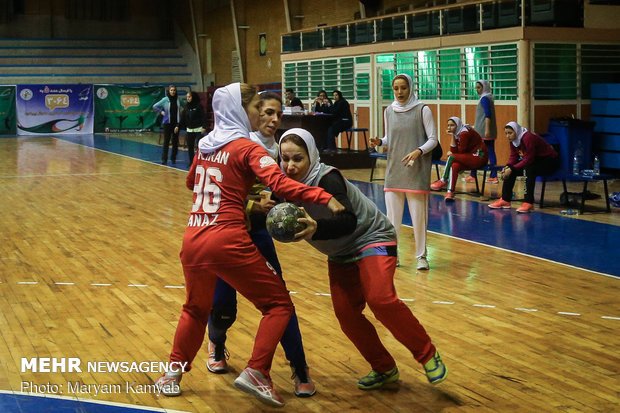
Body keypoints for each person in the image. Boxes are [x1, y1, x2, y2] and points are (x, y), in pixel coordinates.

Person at [154, 82, 344, 408]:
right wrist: (323, 197)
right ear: (240, 110)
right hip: (227, 239)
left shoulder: (205, 145)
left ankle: (172, 373)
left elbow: (190, 181)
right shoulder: (246, 147)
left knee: (195, 309)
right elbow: (280, 183)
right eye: (257, 107)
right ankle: (257, 371)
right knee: (279, 305)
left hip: (193, 237)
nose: (260, 113)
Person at [279, 128, 448, 391]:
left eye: (297, 159)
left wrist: (316, 229)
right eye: (285, 159)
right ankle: (384, 368)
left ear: (311, 156)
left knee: (380, 299)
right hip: (339, 252)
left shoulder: (328, 179)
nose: (290, 166)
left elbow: (347, 221)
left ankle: (427, 354)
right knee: (346, 315)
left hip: (371, 237)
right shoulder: (282, 184)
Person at [205, 91, 317, 398]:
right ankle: (216, 342)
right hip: (226, 234)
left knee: (280, 302)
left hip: (258, 234)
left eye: (278, 114)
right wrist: (254, 205)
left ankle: (299, 366)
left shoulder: (281, 148)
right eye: (266, 112)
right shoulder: (233, 145)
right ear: (251, 113)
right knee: (224, 306)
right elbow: (213, 199)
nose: (273, 119)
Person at [369, 73, 437, 271]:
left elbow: (433, 139)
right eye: (396, 88)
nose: (400, 92)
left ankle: (421, 256)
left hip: (416, 170)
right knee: (392, 219)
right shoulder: (389, 110)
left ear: (411, 88)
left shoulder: (422, 109)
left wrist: (418, 151)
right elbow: (389, 138)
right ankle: (393, 255)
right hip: (394, 170)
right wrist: (380, 142)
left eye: (403, 88)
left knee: (418, 217)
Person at [488, 121, 560, 213]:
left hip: (550, 162)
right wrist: (508, 167)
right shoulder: (514, 140)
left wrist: (512, 168)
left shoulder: (528, 138)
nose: (508, 136)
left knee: (528, 169)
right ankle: (505, 200)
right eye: (506, 133)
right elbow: (514, 156)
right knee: (511, 171)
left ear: (517, 131)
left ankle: (528, 202)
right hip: (535, 161)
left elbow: (529, 159)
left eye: (510, 133)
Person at [430, 117, 488, 201]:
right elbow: (454, 150)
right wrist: (452, 136)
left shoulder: (464, 133)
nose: (449, 128)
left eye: (452, 125)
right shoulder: (458, 133)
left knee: (451, 157)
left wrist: (452, 153)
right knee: (455, 165)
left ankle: (443, 180)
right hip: (470, 156)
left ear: (458, 125)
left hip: (479, 157)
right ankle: (450, 192)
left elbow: (460, 152)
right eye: (448, 125)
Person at [467, 79, 498, 184]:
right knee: (489, 151)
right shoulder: (488, 98)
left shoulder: (485, 99)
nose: (477, 90)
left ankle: (474, 174)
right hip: (485, 130)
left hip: (484, 131)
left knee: (477, 151)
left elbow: (487, 115)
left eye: (479, 87)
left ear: (484, 88)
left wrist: (487, 130)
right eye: (476, 87)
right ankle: (492, 175)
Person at [176, 91, 206, 166]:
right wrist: (178, 126)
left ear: (193, 97)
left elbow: (203, 117)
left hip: (198, 129)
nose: (188, 98)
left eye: (189, 97)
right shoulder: (186, 107)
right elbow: (182, 119)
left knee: (200, 146)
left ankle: (201, 162)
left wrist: (204, 127)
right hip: (189, 129)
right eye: (187, 97)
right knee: (190, 146)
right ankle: (192, 162)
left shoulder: (199, 106)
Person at [153, 84, 180, 165]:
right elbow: (155, 106)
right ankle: (164, 159)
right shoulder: (165, 99)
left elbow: (185, 106)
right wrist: (161, 112)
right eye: (171, 90)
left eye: (174, 90)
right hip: (167, 123)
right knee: (166, 142)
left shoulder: (178, 99)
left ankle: (173, 158)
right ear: (169, 91)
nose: (173, 91)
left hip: (176, 123)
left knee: (175, 142)